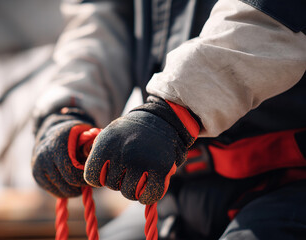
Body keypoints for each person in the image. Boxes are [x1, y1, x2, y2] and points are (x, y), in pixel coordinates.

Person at [31, 0, 306, 239]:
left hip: (291, 187)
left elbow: (276, 15)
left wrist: (173, 112)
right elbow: (100, 17)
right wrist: (70, 110)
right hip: (176, 195)